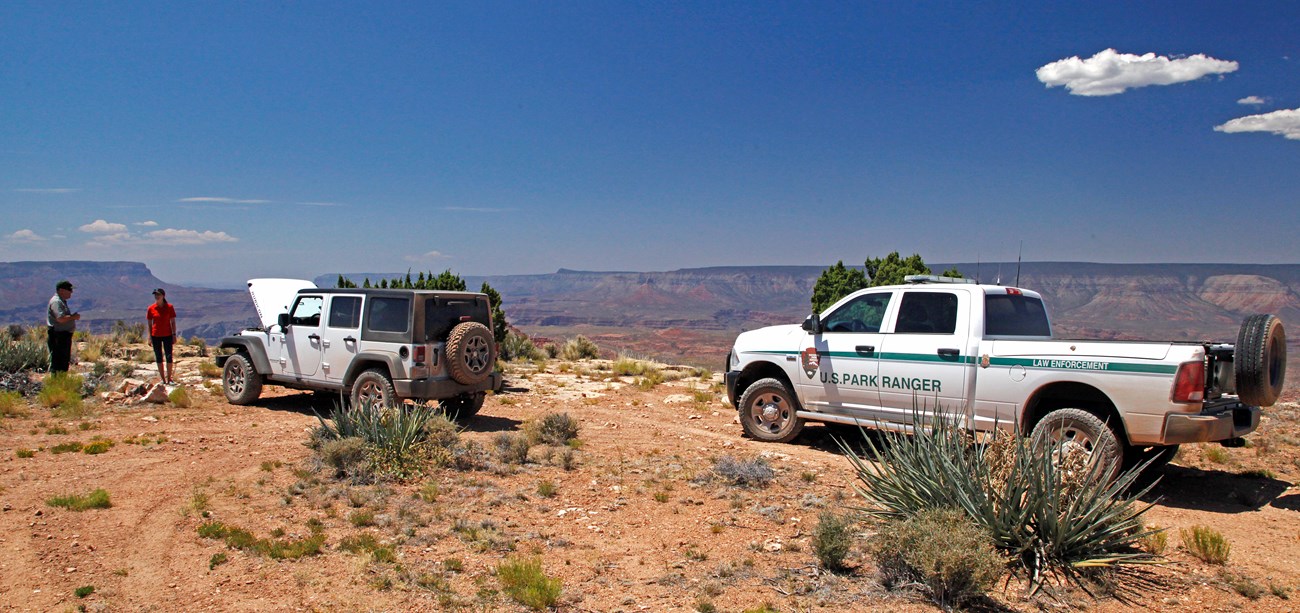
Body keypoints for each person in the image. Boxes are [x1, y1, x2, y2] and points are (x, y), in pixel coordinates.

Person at [47, 280, 80, 373]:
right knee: (58, 362)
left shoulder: (62, 301)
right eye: (69, 289)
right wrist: (73, 317)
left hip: (63, 335)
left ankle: (61, 382)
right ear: (61, 290)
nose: (71, 292)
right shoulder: (56, 302)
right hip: (58, 335)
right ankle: (56, 383)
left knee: (63, 362)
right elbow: (60, 319)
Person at [147, 288, 178, 384]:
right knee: (159, 357)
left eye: (158, 295)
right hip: (155, 335)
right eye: (155, 295)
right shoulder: (151, 308)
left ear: (163, 296)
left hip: (167, 335)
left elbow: (172, 322)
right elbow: (149, 324)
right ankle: (163, 379)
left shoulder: (169, 307)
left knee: (169, 357)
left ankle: (170, 379)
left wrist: (174, 334)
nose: (156, 296)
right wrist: (149, 337)